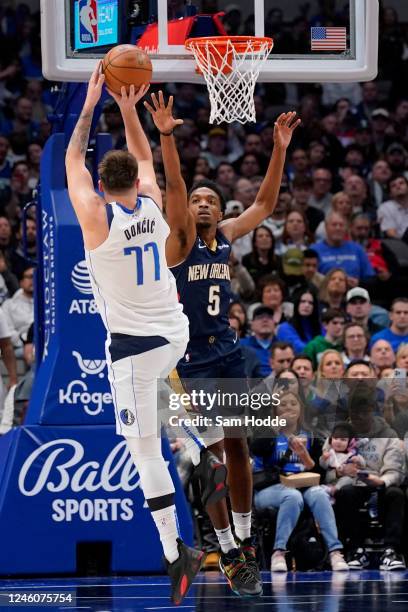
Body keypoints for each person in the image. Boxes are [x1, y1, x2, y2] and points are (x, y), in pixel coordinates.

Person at [65, 69, 226, 605]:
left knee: (142, 452)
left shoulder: (95, 219)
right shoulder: (153, 205)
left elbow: (72, 162)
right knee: (158, 402)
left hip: (135, 349)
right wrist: (128, 109)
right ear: (135, 182)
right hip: (173, 333)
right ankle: (202, 451)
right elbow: (144, 159)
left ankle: (172, 547)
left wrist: (89, 106)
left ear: (101, 187)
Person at [144, 90, 300, 597]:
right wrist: (167, 136)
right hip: (190, 362)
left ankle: (243, 539)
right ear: (188, 210)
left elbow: (265, 203)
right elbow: (174, 188)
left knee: (239, 447)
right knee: (212, 456)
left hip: (228, 352)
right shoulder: (180, 240)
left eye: (211, 198)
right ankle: (227, 543)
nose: (203, 202)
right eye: (197, 199)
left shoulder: (228, 235)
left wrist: (279, 147)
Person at [250, 390, 348, 572]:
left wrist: (303, 454)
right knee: (292, 496)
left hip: (304, 485)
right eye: (283, 404)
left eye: (293, 404)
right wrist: (275, 427)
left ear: (301, 409)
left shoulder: (310, 435)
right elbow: (257, 449)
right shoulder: (266, 431)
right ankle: (278, 552)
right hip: (269, 489)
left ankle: (335, 552)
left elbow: (318, 470)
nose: (289, 407)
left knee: (319, 494)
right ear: (275, 410)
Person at [277, 288, 322, 353]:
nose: (306, 305)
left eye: (310, 303)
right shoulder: (285, 328)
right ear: (296, 304)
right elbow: (299, 349)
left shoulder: (320, 327)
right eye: (303, 301)